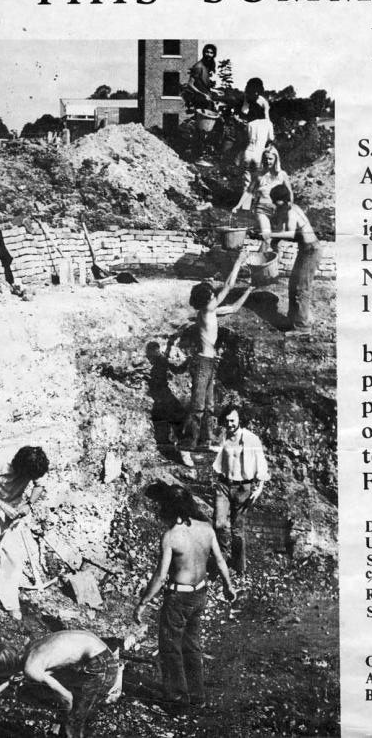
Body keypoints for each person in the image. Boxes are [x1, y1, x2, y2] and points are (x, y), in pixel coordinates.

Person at [133, 484, 236, 714]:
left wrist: (142, 603)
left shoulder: (171, 537)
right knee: (192, 646)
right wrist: (229, 586)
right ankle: (197, 696)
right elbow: (220, 561)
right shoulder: (206, 528)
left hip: (178, 597)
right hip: (200, 593)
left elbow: (160, 577)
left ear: (168, 508)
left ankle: (177, 701)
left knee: (170, 648)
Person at [0, 630, 119, 738]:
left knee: (74, 721)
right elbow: (52, 665)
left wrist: (65, 717)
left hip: (101, 665)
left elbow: (67, 697)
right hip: (100, 651)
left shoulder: (30, 668)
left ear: (4, 670)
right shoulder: (29, 648)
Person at [180, 249, 253, 454]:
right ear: (206, 301)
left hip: (210, 363)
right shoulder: (206, 312)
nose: (215, 297)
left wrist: (249, 290)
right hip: (202, 362)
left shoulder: (210, 312)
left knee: (209, 405)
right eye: (213, 295)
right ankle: (188, 443)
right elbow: (229, 286)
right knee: (198, 405)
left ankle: (206, 439)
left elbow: (233, 309)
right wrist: (239, 260)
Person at [0, 445, 49, 619]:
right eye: (27, 476)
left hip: (13, 504)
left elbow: (40, 485)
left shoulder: (33, 466)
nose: (28, 479)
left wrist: (28, 504)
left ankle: (9, 600)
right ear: (19, 467)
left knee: (13, 553)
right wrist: (3, 506)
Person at [212, 408, 269, 575]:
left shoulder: (251, 439)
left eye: (233, 420)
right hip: (223, 485)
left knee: (237, 530)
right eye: (227, 420)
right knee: (220, 524)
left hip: (243, 488)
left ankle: (239, 566)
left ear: (239, 420)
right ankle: (220, 561)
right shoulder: (223, 437)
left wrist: (259, 488)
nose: (230, 424)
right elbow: (217, 459)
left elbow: (261, 464)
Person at [268, 184, 322, 331]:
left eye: (276, 201)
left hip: (311, 251)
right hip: (305, 250)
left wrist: (270, 235)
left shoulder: (292, 211)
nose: (274, 204)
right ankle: (294, 320)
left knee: (301, 288)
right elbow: (282, 230)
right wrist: (274, 243)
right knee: (293, 285)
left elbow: (291, 234)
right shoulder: (287, 208)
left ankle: (303, 327)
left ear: (284, 200)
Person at [233, 145, 293, 247]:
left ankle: (270, 261)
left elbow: (289, 192)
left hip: (278, 210)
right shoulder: (258, 175)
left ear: (275, 159)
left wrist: (290, 205)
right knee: (266, 236)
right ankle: (260, 261)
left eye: (270, 159)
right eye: (265, 159)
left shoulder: (282, 175)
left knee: (276, 242)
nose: (268, 161)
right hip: (261, 209)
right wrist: (238, 206)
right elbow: (248, 192)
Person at [234, 77, 274, 197]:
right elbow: (270, 139)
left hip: (248, 153)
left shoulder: (250, 124)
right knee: (257, 180)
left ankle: (245, 204)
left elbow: (244, 136)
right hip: (259, 153)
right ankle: (255, 204)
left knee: (247, 179)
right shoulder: (267, 123)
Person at [185, 43, 217, 112]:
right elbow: (190, 84)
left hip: (207, 99)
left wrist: (215, 90)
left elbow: (202, 84)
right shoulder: (199, 66)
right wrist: (202, 95)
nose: (209, 54)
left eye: (211, 53)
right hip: (200, 100)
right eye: (207, 52)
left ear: (214, 54)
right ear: (204, 52)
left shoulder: (207, 66)